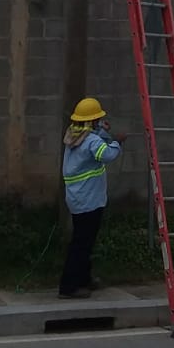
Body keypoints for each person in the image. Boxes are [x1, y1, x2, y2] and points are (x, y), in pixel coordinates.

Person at [58, 97, 127, 299]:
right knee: (82, 243)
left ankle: (84, 278)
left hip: (77, 198)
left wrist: (102, 131)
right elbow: (107, 154)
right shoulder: (91, 140)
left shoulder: (73, 134)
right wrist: (117, 141)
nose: (99, 122)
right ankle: (69, 286)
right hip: (90, 200)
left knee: (84, 240)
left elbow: (93, 141)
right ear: (92, 121)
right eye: (97, 119)